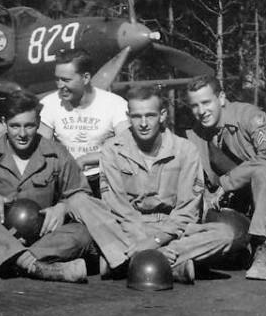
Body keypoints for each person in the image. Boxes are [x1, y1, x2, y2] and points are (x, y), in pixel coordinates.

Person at [66, 85, 236, 283]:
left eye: (150, 115)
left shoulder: (185, 150)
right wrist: (141, 241)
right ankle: (165, 264)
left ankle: (125, 261)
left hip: (169, 230)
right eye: (137, 116)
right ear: (128, 117)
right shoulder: (112, 149)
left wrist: (156, 242)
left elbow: (187, 210)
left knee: (225, 234)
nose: (144, 123)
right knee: (79, 201)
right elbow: (116, 205)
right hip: (126, 227)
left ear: (162, 115)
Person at [0, 90, 94, 284]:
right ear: (4, 123)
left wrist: (63, 207)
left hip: (42, 238)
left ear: (38, 122)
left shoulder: (56, 153)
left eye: (29, 126)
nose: (22, 134)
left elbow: (81, 193)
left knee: (83, 232)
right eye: (15, 126)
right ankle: (33, 266)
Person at [185, 74, 266, 280]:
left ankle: (264, 248)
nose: (201, 111)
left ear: (221, 98)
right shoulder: (198, 133)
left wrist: (226, 183)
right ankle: (236, 250)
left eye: (206, 102)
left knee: (264, 174)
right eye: (194, 105)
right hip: (240, 199)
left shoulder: (249, 117)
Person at [39, 48, 128, 194]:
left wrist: (86, 159)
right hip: (66, 178)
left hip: (105, 177)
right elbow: (42, 148)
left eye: (66, 80)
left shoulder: (115, 104)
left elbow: (126, 148)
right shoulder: (49, 104)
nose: (60, 85)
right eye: (57, 79)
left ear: (85, 78)